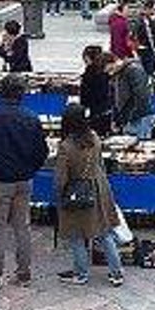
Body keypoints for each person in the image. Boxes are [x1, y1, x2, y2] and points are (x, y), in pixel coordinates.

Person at [0, 74, 49, 288]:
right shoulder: (31, 118)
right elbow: (41, 151)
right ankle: (23, 273)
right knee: (22, 227)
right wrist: (30, 169)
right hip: (24, 179)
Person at [55, 103, 126, 286]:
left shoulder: (66, 146)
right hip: (99, 189)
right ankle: (116, 272)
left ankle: (81, 273)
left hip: (78, 193)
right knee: (104, 232)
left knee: (77, 234)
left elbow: (62, 178)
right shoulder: (94, 137)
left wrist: (60, 196)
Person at [113, 55, 155, 140]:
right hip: (131, 116)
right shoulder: (121, 72)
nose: (109, 72)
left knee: (140, 144)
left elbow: (141, 95)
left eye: (109, 69)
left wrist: (133, 115)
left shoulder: (133, 70)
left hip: (139, 117)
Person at [80, 46, 114, 136]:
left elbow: (85, 97)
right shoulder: (105, 74)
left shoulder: (89, 74)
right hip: (106, 111)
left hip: (95, 112)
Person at [134, 2, 155, 76]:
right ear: (147, 9)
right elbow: (136, 35)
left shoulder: (149, 20)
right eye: (153, 9)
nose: (154, 11)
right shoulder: (140, 21)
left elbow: (152, 35)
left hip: (149, 47)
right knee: (148, 68)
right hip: (144, 48)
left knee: (152, 67)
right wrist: (139, 45)